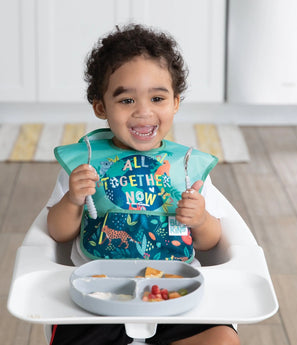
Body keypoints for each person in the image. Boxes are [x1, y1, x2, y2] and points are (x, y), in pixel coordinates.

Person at [47, 24, 240, 345]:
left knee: (223, 339)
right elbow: (57, 233)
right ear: (100, 107)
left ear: (176, 102)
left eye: (157, 97)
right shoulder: (87, 164)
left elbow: (211, 243)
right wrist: (72, 200)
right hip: (97, 293)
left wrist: (201, 220)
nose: (143, 112)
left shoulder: (187, 167)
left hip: (176, 290)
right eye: (125, 100)